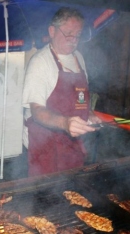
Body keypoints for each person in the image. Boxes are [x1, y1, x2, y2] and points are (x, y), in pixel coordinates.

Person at [22, 7, 102, 177]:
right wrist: (65, 123)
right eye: (68, 34)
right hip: (46, 149)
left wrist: (90, 113)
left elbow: (81, 100)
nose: (73, 40)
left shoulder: (79, 58)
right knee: (46, 198)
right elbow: (37, 112)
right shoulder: (40, 62)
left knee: (75, 193)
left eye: (78, 35)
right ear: (52, 31)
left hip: (73, 147)